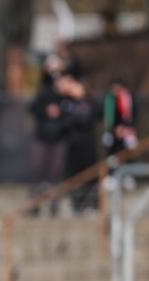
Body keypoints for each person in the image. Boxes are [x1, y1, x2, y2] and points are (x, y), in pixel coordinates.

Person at [29, 56, 67, 214]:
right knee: (38, 170)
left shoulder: (65, 88)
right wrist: (46, 110)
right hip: (42, 135)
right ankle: (34, 203)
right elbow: (33, 107)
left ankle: (54, 203)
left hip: (59, 136)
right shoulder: (43, 89)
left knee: (55, 172)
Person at [58, 76, 98, 213]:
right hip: (72, 146)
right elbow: (63, 121)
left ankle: (92, 204)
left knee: (90, 176)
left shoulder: (88, 103)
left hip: (86, 146)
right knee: (73, 177)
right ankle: (77, 205)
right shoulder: (67, 103)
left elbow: (85, 119)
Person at [103, 79, 138, 159]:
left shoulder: (128, 98)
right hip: (113, 133)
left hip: (127, 132)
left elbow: (133, 116)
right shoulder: (110, 99)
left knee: (129, 154)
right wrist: (114, 129)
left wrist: (125, 129)